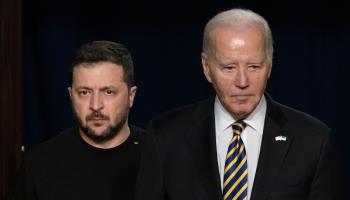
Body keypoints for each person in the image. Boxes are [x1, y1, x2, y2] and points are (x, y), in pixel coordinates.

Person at [136, 8, 343, 200]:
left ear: (269, 66)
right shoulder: (165, 136)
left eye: (253, 67)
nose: (242, 82)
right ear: (207, 68)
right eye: (229, 68)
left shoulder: (313, 140)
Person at [12, 41, 143, 200]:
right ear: (70, 95)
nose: (95, 105)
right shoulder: (40, 165)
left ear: (131, 96)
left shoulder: (156, 157)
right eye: (84, 92)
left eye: (108, 92)